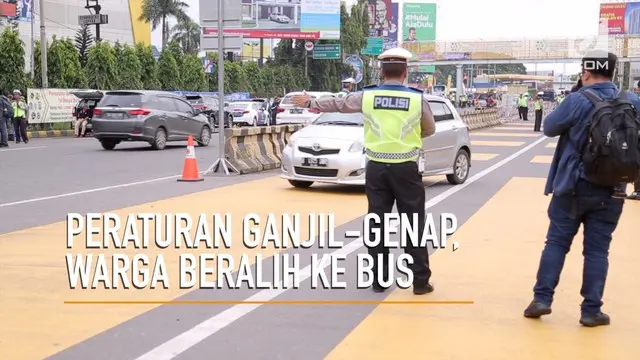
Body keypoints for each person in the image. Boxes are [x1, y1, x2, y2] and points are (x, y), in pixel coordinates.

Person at [291, 47, 436, 295]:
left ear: (381, 72)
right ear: (405, 72)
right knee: (413, 224)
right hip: (406, 169)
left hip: (376, 168)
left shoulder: (368, 97)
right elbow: (430, 129)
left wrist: (311, 102)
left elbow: (340, 102)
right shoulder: (416, 98)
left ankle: (379, 280)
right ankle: (420, 282)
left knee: (376, 223)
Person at [524, 50, 640, 327]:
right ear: (612, 72)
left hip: (572, 186)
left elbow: (549, 128)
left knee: (556, 243)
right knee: (598, 251)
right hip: (613, 188)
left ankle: (542, 299)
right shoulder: (632, 100)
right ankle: (591, 310)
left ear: (586, 72)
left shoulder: (577, 99)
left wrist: (577, 94)